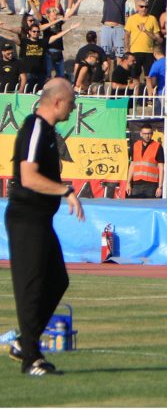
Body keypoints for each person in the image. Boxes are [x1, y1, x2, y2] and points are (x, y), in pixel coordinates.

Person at [5, 78, 84, 376]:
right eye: (71, 102)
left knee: (57, 280)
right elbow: (28, 177)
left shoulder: (49, 132)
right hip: (26, 217)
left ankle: (24, 343)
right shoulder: (35, 127)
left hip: (41, 219)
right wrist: (65, 191)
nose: (73, 108)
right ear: (57, 102)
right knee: (32, 287)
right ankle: (32, 359)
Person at [127, 122, 164, 198]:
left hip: (151, 185)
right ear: (141, 134)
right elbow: (132, 164)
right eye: (145, 134)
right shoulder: (135, 145)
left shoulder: (157, 146)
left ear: (152, 134)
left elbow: (161, 168)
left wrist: (160, 187)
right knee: (136, 204)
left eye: (149, 133)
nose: (147, 136)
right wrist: (128, 183)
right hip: (136, 184)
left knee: (150, 204)